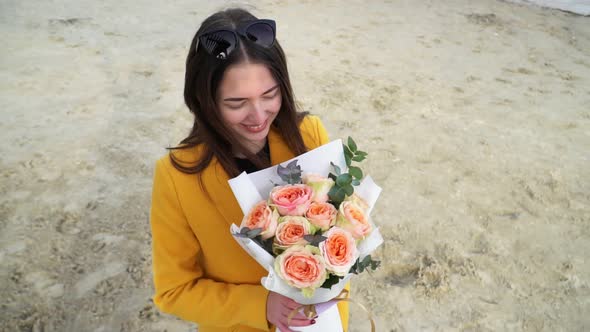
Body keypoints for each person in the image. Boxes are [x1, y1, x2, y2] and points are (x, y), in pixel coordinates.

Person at [149, 7, 349, 332]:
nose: (258, 116)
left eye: (270, 94)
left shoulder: (310, 135)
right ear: (204, 100)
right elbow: (174, 291)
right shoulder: (177, 177)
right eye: (236, 103)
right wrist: (262, 305)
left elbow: (342, 237)